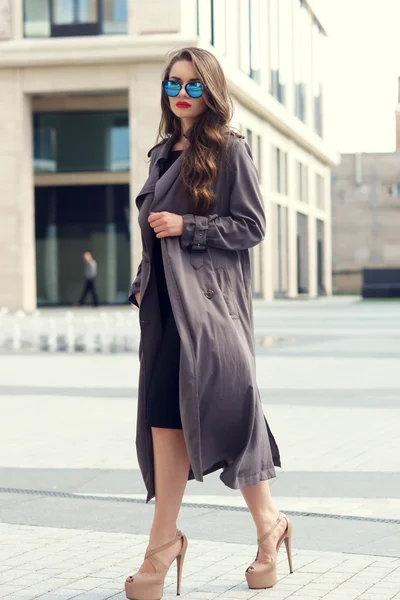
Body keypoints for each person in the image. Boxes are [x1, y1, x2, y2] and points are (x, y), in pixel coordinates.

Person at [126, 47, 293, 600]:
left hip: (213, 311)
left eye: (195, 86)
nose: (182, 95)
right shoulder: (161, 152)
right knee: (162, 419)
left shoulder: (229, 149)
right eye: (175, 84)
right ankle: (164, 540)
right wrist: (142, 280)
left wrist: (187, 226)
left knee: (232, 412)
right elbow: (156, 236)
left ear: (212, 92)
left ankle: (268, 524)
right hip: (168, 311)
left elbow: (251, 226)